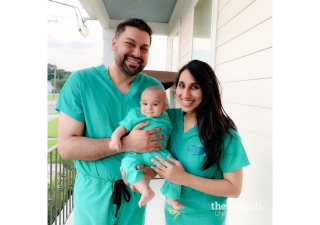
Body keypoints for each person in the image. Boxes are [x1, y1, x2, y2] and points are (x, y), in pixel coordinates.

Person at [56, 18, 166, 225]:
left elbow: (162, 138)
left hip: (134, 194)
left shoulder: (153, 89)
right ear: (114, 43)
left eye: (144, 48)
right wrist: (127, 144)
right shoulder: (82, 82)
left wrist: (153, 170)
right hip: (93, 196)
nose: (137, 53)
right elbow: (66, 147)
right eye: (130, 44)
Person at [150, 60, 251, 224]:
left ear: (208, 89)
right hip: (173, 215)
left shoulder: (224, 133)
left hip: (205, 218)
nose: (185, 93)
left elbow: (234, 188)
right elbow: (154, 151)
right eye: (182, 85)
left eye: (195, 87)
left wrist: (184, 178)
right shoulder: (168, 119)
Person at [109, 86, 182, 209]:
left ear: (164, 107)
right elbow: (123, 127)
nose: (149, 108)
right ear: (140, 104)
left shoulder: (166, 117)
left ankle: (171, 196)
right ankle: (145, 190)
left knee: (174, 169)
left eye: (155, 104)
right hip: (135, 153)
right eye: (145, 104)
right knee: (127, 163)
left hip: (158, 152)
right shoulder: (135, 114)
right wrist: (115, 138)